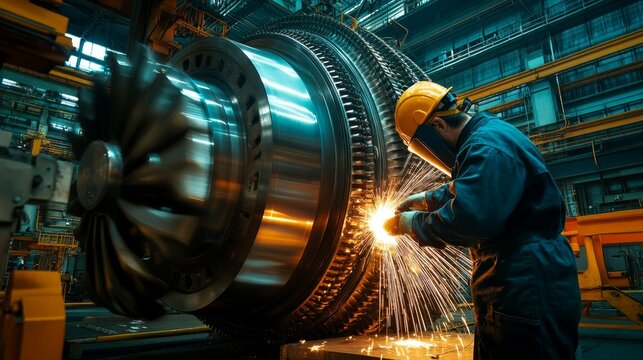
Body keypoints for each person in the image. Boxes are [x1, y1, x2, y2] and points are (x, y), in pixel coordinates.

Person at [384, 81, 582, 359]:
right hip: (524, 271)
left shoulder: (484, 146)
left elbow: (471, 219)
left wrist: (413, 223)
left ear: (438, 126)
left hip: (523, 277)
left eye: (423, 147)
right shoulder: (489, 134)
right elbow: (476, 186)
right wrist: (426, 199)